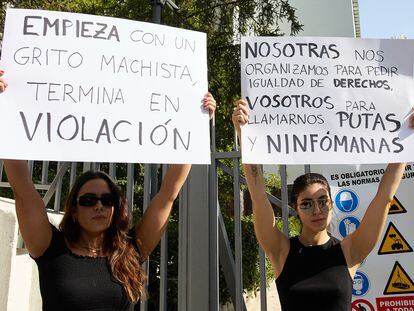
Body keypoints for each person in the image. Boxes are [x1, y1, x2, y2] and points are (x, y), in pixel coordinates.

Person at [0, 72, 216, 310]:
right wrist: (5, 105)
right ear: (73, 210)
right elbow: (21, 186)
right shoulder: (49, 247)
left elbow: (168, 193)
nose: (99, 206)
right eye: (89, 200)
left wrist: (197, 124)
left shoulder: (131, 249)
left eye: (107, 199)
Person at [232, 99, 414, 311]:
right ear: (296, 209)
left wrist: (407, 137)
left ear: (331, 203)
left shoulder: (349, 250)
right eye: (307, 204)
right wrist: (243, 134)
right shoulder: (281, 251)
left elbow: (385, 198)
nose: (317, 210)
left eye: (323, 201)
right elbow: (258, 196)